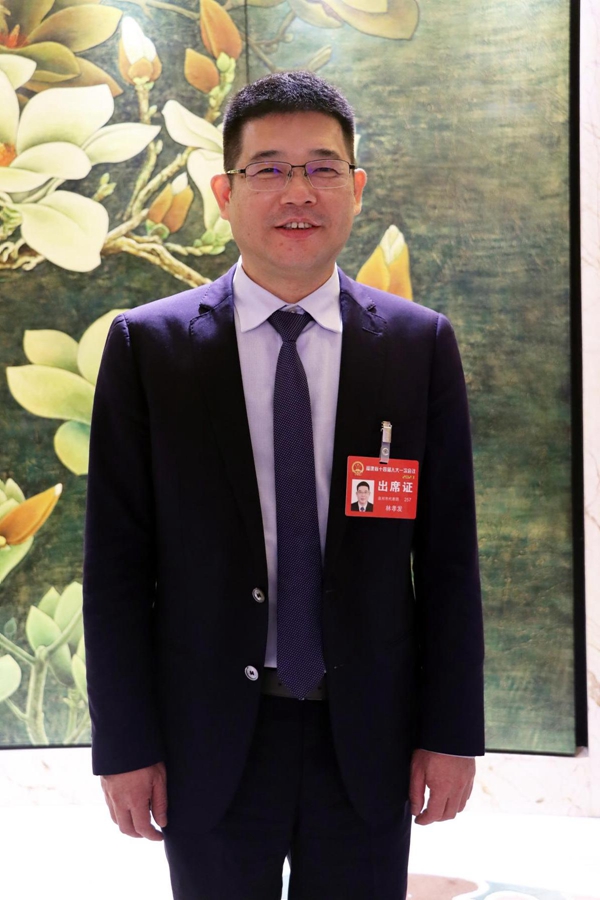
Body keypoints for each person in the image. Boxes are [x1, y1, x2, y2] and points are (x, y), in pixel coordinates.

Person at [83, 70, 484, 900]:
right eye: (268, 168)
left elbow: (449, 562)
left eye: (321, 167)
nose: (297, 191)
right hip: (207, 741)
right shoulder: (148, 350)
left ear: (355, 189)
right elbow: (117, 570)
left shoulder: (417, 347)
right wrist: (124, 746)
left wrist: (451, 734)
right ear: (225, 193)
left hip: (367, 740)